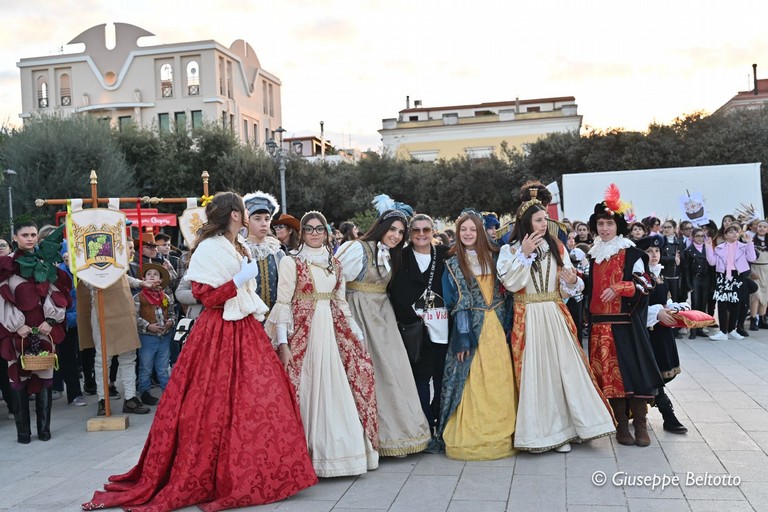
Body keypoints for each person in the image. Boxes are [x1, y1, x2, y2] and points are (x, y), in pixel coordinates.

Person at [83, 191, 317, 511]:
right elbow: (204, 296)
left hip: (245, 327)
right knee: (215, 403)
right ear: (235, 214)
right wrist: (238, 280)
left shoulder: (239, 244)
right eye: (245, 211)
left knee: (260, 397)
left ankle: (263, 469)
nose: (248, 215)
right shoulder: (209, 248)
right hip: (219, 330)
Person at [498, 191, 615, 453]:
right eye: (539, 220)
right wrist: (524, 254)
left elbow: (572, 285)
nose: (544, 224)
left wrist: (573, 281)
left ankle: (568, 429)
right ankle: (542, 434)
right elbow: (510, 283)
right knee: (536, 373)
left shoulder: (557, 246)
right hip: (527, 314)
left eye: (544, 219)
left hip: (553, 311)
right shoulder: (510, 249)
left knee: (563, 371)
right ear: (527, 223)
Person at [265, 211, 379, 477]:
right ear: (301, 233)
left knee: (340, 383)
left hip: (334, 330)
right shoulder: (291, 262)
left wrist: (358, 336)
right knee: (306, 386)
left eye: (320, 229)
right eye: (309, 229)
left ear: (327, 233)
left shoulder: (334, 264)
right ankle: (307, 455)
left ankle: (342, 456)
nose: (315, 233)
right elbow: (283, 304)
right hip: (304, 332)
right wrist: (283, 345)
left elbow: (341, 302)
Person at [337, 208, 431, 457]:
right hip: (360, 313)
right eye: (393, 229)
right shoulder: (358, 248)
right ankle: (373, 437)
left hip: (383, 316)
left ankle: (399, 434)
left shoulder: (389, 254)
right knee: (370, 371)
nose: (397, 236)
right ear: (381, 227)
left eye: (401, 232)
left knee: (393, 371)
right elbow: (336, 282)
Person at [433, 210, 516, 460]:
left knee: (498, 378)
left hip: (498, 327)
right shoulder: (453, 263)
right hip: (470, 328)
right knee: (472, 379)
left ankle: (505, 430)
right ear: (457, 233)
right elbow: (455, 303)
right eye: (463, 230)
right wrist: (462, 337)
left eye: (472, 229)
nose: (468, 234)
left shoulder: (497, 257)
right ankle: (474, 432)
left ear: (480, 232)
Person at [586, 184, 664, 447]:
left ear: (618, 226)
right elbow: (588, 289)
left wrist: (619, 287)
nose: (604, 229)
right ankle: (621, 426)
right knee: (609, 378)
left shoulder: (632, 254)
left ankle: (640, 424)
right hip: (599, 326)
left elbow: (646, 284)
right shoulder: (592, 255)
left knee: (635, 374)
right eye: (600, 224)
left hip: (626, 325)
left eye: (609, 223)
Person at [0, 222, 71, 443]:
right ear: (15, 237)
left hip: (43, 331)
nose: (30, 238)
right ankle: (23, 433)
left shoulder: (45, 263)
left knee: (45, 377)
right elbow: (2, 298)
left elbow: (55, 293)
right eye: (25, 235)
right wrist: (15, 325)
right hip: (16, 334)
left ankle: (44, 430)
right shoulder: (7, 265)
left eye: (33, 234)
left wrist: (51, 320)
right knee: (18, 378)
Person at [389, 213, 450, 432]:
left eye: (426, 230)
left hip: (444, 328)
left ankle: (441, 422)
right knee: (421, 379)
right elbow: (393, 291)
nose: (421, 234)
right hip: (415, 330)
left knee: (442, 377)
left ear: (433, 231)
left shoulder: (445, 254)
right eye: (416, 230)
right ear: (410, 233)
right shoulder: (399, 257)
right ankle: (425, 425)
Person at [636, 234, 688, 434]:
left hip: (661, 332)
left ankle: (650, 411)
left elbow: (666, 300)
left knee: (659, 373)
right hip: (647, 333)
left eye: (657, 251)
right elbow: (638, 307)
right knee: (652, 374)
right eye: (649, 251)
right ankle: (668, 414)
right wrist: (657, 312)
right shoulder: (640, 276)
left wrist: (677, 309)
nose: (654, 255)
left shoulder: (660, 274)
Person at [706, 225, 756, 340]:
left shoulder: (743, 247)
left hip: (737, 276)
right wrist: (709, 247)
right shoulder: (719, 248)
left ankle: (732, 330)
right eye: (731, 232)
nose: (734, 234)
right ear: (726, 235)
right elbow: (712, 262)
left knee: (736, 303)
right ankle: (723, 332)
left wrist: (750, 243)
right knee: (722, 303)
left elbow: (752, 258)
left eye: (736, 232)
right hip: (723, 277)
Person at [134, 263, 175, 406]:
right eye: (149, 274)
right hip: (147, 337)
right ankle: (144, 392)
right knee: (146, 366)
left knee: (163, 367)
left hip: (164, 336)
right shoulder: (139, 297)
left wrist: (170, 322)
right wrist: (148, 326)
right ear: (143, 278)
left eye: (155, 274)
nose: (152, 276)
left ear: (160, 279)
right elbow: (135, 316)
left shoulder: (166, 297)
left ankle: (167, 392)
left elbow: (171, 313)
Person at [243, 191, 285, 311]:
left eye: (267, 219)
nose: (263, 223)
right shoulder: (240, 250)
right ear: (247, 221)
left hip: (274, 317)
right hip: (248, 317)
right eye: (257, 219)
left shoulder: (277, 252)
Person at [683, 227, 715, 338]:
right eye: (697, 236)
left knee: (703, 304)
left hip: (706, 278)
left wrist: (712, 283)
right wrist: (688, 284)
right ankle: (693, 330)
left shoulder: (708, 249)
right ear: (693, 237)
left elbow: (712, 268)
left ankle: (701, 328)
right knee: (695, 304)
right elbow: (686, 269)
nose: (700, 238)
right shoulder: (689, 250)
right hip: (695, 278)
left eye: (702, 236)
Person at [749, 219, 768, 330]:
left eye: (764, 227)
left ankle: (762, 319)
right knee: (755, 295)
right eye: (760, 226)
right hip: (755, 269)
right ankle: (753, 320)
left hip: (766, 269)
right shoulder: (751, 241)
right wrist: (751, 271)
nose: (762, 228)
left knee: (765, 295)